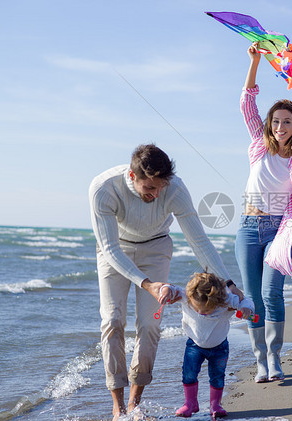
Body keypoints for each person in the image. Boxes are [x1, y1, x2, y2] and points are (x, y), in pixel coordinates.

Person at [88, 144, 244, 420]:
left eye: (160, 188)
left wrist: (228, 283)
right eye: (150, 188)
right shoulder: (104, 188)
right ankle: (117, 405)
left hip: (156, 247)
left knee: (149, 324)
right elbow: (110, 248)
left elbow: (198, 240)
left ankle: (135, 402)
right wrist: (146, 283)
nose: (156, 194)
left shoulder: (175, 188)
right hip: (116, 251)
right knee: (112, 320)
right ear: (132, 176)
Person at [235, 42, 292, 383]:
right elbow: (246, 103)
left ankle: (275, 356)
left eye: (287, 122)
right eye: (276, 122)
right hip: (249, 227)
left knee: (272, 293)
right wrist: (254, 62)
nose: (280, 126)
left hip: (279, 231)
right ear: (269, 126)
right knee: (253, 298)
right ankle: (260, 361)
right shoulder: (258, 144)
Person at [162, 272, 255, 419]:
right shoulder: (187, 296)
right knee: (189, 374)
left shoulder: (226, 299)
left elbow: (246, 302)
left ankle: (215, 405)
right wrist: (166, 290)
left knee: (217, 376)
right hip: (194, 345)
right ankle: (190, 403)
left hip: (219, 347)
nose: (201, 312)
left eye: (206, 310)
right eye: (198, 308)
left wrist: (247, 309)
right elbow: (171, 288)